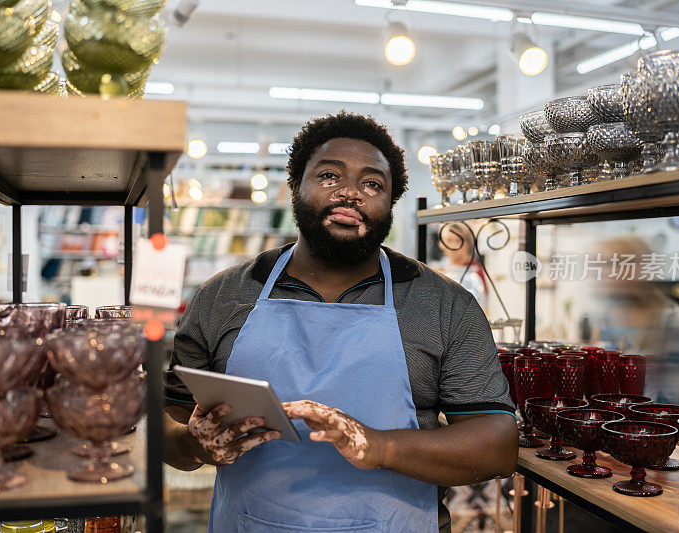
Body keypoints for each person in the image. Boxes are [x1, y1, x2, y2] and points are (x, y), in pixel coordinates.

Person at [163, 111, 518, 532]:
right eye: (330, 176)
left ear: (390, 203)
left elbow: (497, 444)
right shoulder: (223, 296)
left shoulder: (443, 305)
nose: (351, 193)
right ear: (295, 186)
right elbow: (169, 423)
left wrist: (378, 446)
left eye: (372, 184)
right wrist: (194, 443)